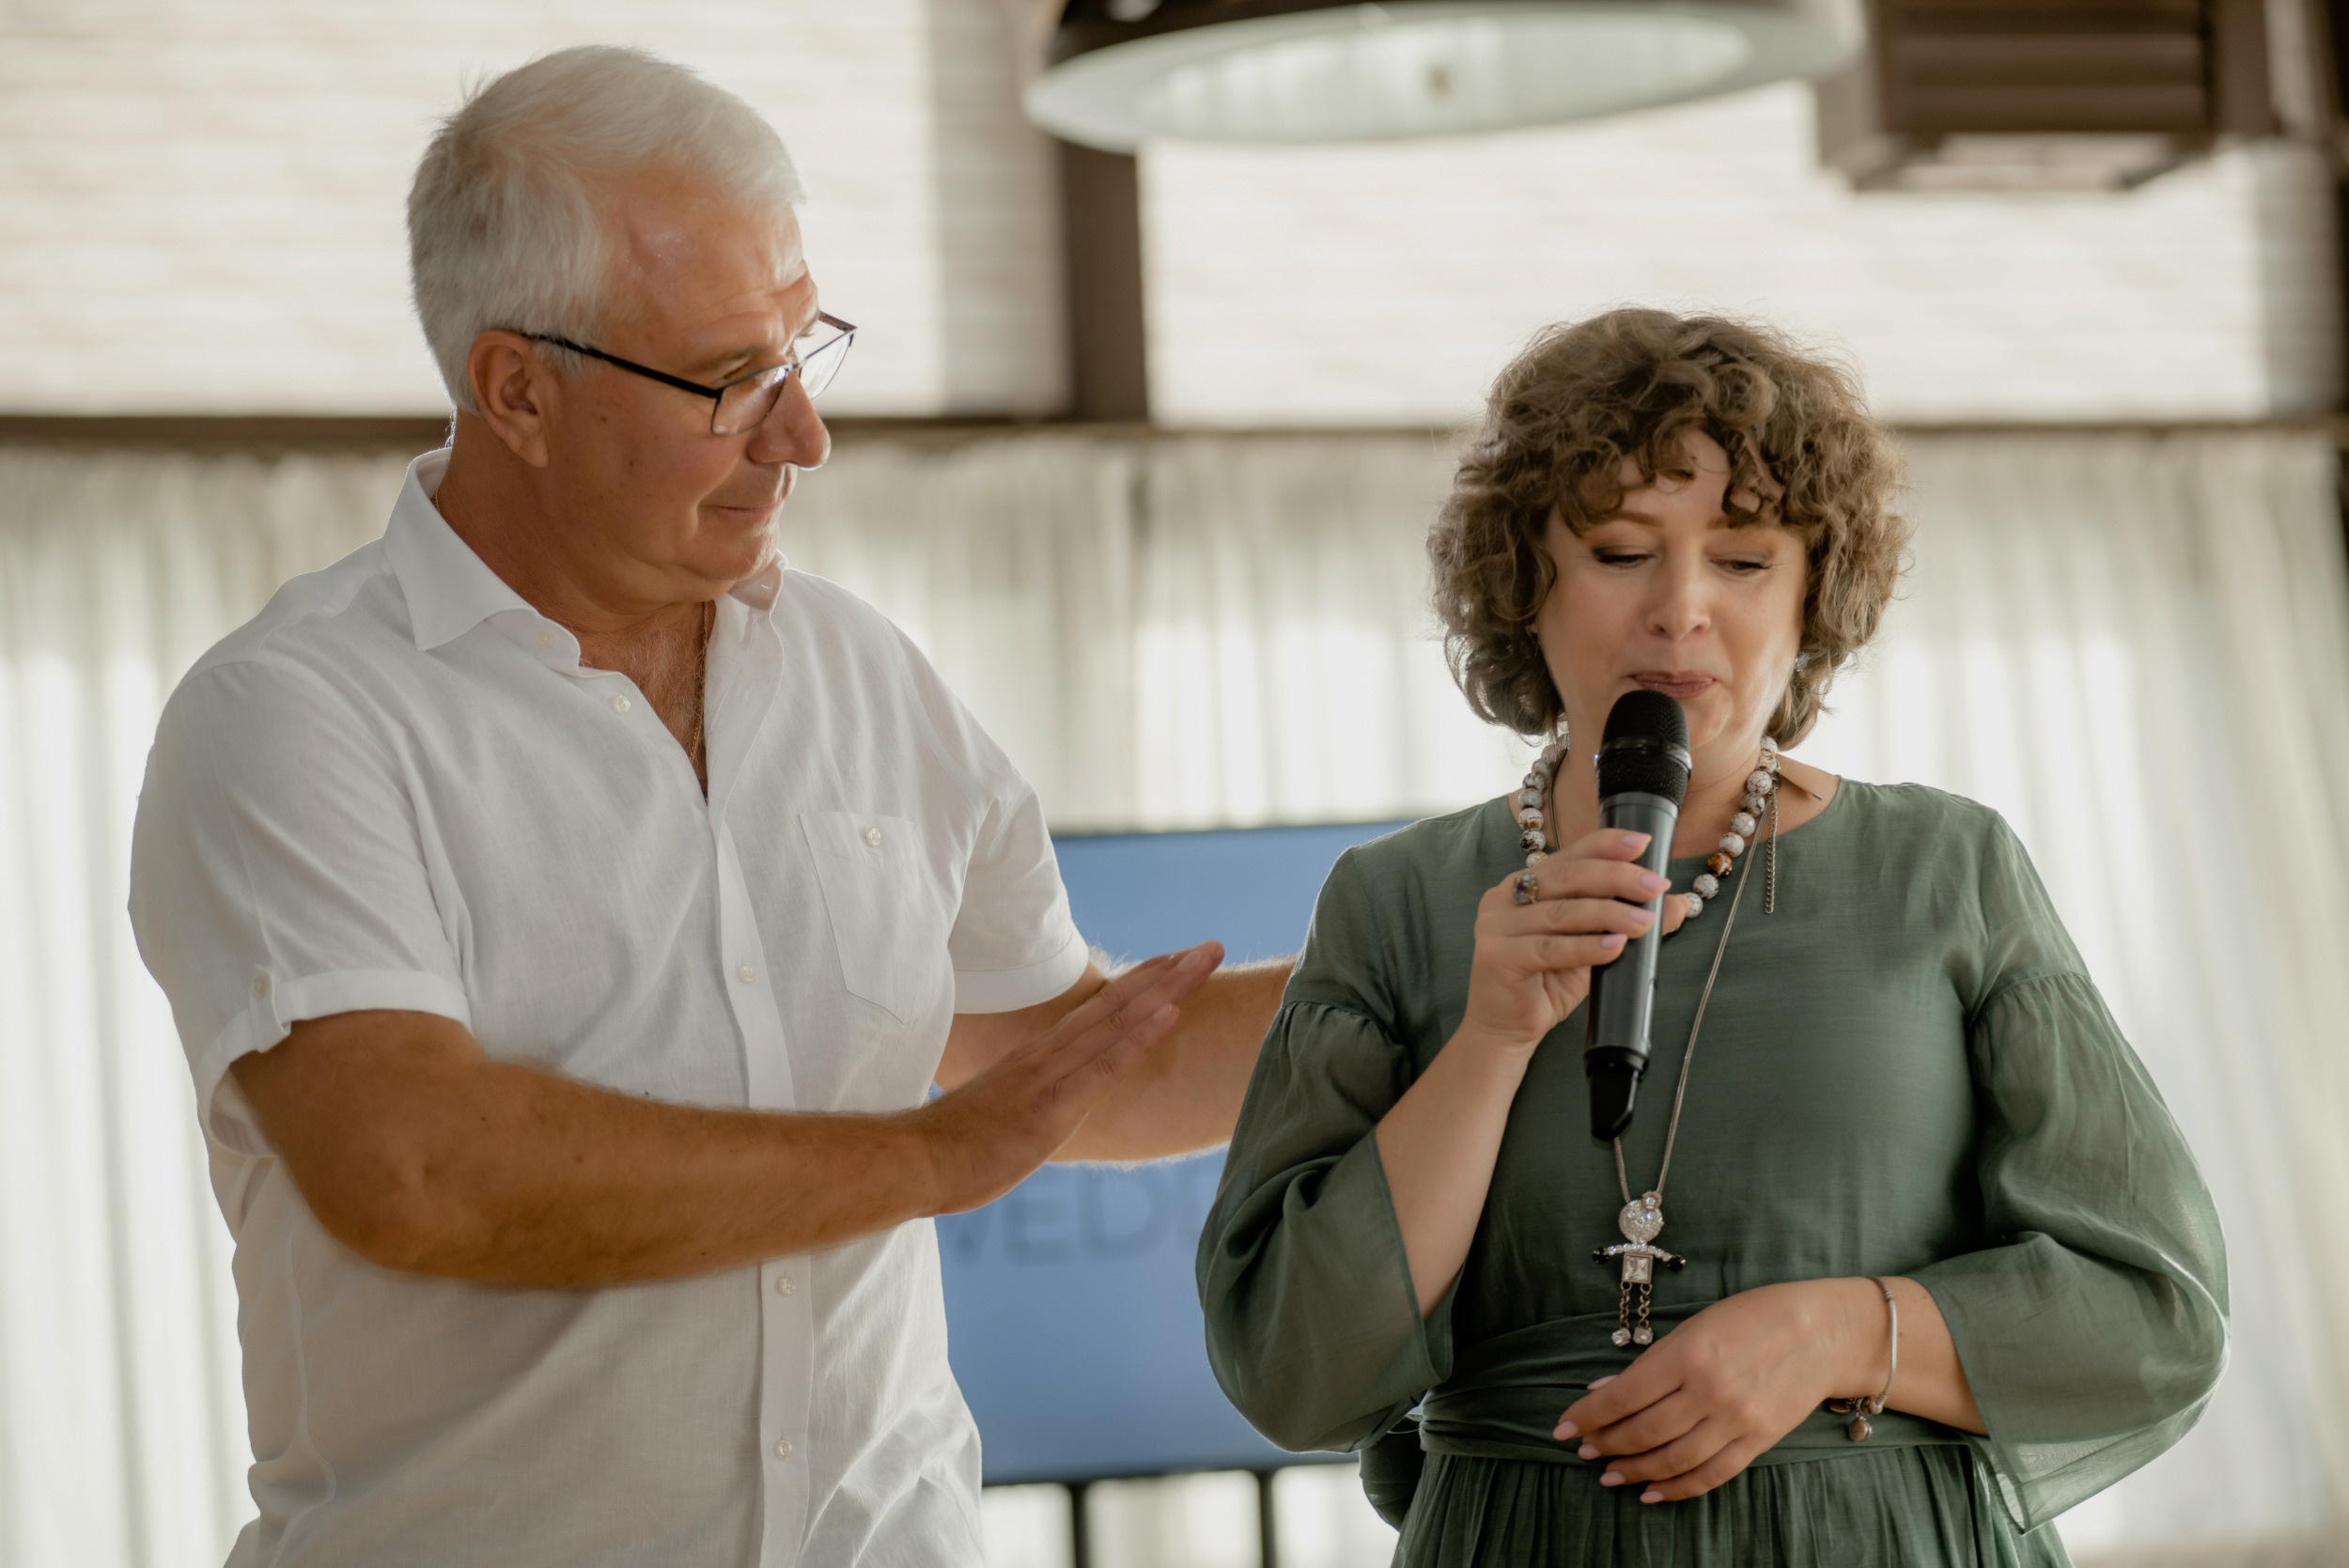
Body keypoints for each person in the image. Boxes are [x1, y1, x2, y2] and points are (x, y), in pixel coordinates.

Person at [128, 46, 1287, 1568]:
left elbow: (1073, 1067)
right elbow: (415, 1167)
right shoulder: (292, 716)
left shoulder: (864, 674)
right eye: (733, 380)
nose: (803, 434)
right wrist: (928, 1158)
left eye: (805, 352)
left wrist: (1463, 954)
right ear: (517, 390)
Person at [1196, 308, 2227, 1566]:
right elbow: (1291, 1371)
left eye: (1743, 559)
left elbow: (2152, 1315)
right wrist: (1492, 1040)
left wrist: (1839, 1332)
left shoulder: (1946, 868)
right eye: (1622, 550)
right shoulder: (1394, 900)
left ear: (1813, 594)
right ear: (1524, 580)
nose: (1680, 609)